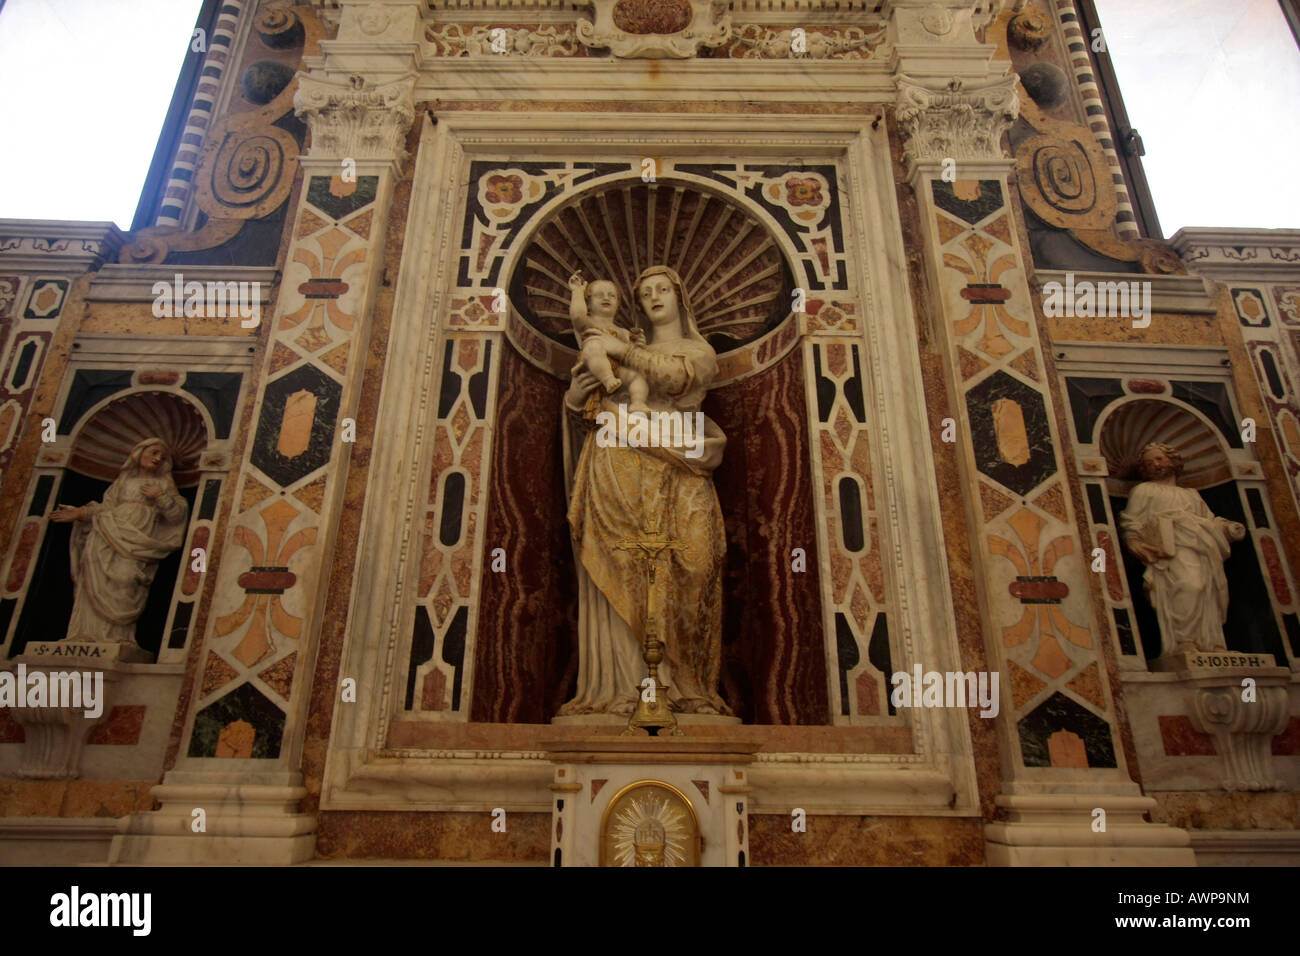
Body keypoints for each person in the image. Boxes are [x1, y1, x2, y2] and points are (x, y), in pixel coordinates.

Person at [558, 265, 731, 716]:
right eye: (645, 292)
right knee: (622, 563)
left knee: (694, 564)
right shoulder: (622, 346)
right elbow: (592, 409)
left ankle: (689, 688)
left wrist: (619, 349)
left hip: (682, 462)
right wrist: (575, 398)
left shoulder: (697, 350)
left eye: (663, 290)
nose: (654, 297)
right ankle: (626, 687)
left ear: (680, 297)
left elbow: (675, 380)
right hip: (618, 459)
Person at [49, 437, 188, 646]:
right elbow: (107, 507)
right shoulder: (123, 481)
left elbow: (177, 516)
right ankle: (84, 634)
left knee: (127, 578)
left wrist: (160, 497)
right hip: (106, 535)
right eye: (154, 452)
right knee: (92, 582)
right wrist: (79, 513)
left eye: (162, 456)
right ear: (139, 453)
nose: (158, 458)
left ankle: (119, 637)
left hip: (139, 542)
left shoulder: (163, 484)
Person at [1119, 441, 1246, 658]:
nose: (1155, 465)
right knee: (1190, 586)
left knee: (1210, 591)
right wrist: (1134, 542)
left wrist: (1226, 528)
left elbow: (1209, 520)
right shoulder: (1143, 490)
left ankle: (1213, 644)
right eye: (1149, 463)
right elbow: (1131, 522)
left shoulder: (1192, 494)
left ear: (1172, 460)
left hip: (1203, 548)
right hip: (1171, 549)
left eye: (1159, 459)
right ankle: (1183, 641)